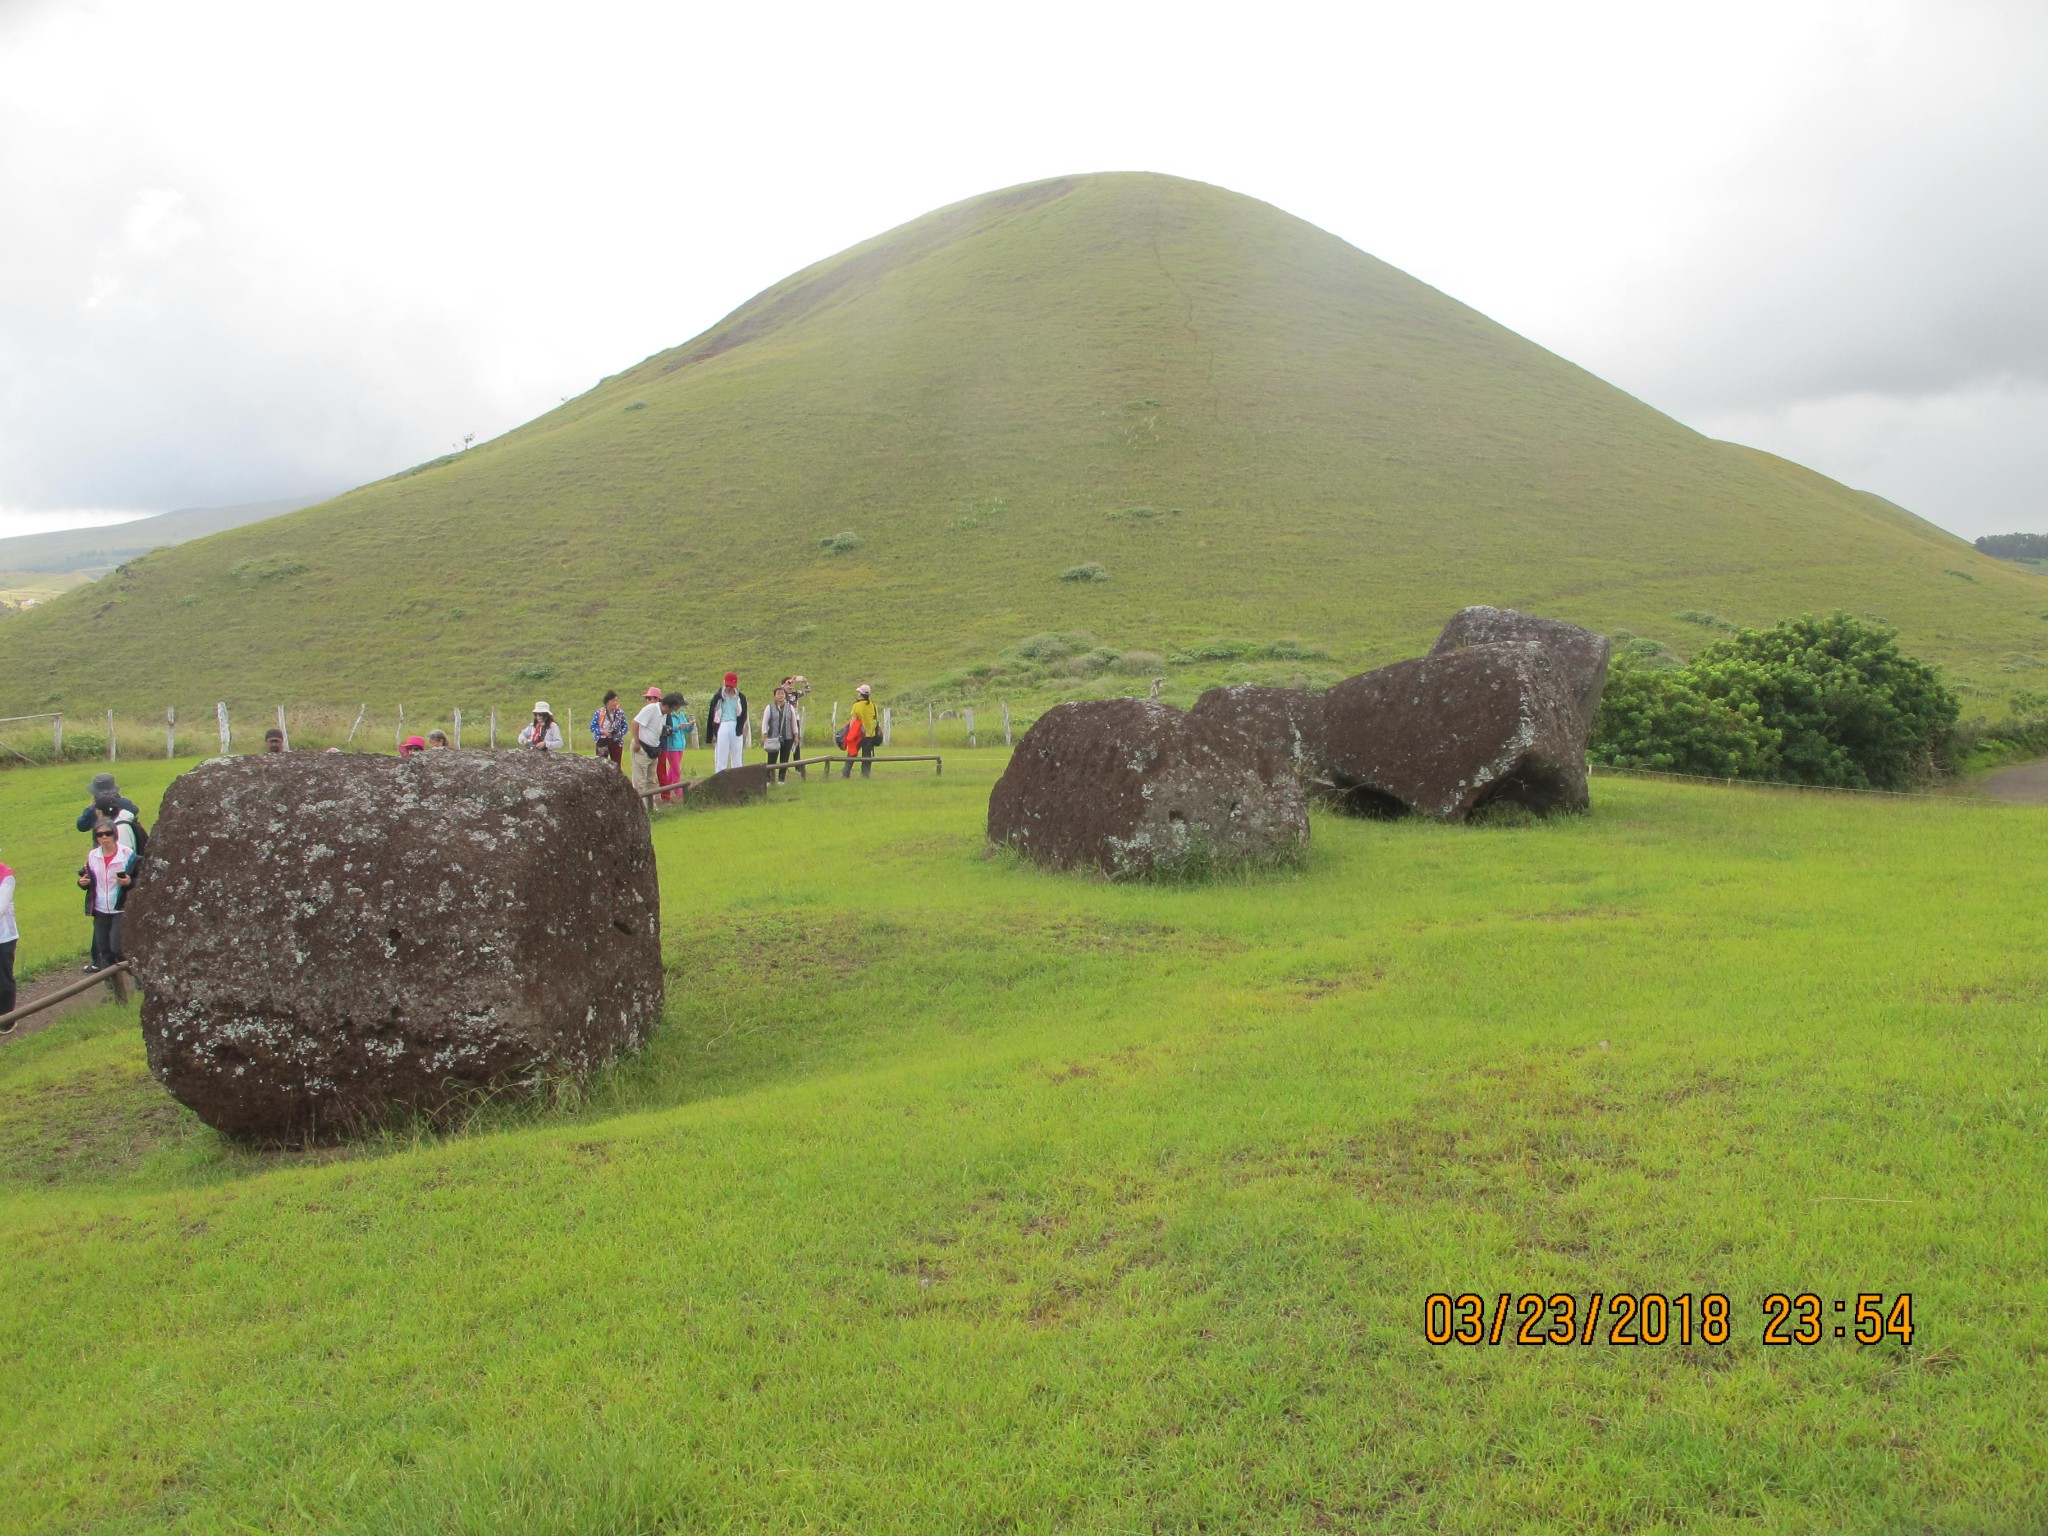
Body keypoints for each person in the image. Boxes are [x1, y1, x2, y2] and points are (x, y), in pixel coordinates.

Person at [77, 822, 134, 974]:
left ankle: (137, 977)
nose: (104, 837)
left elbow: (140, 879)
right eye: (99, 834)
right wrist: (82, 882)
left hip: (120, 907)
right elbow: (88, 878)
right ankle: (114, 990)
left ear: (114, 834)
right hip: (100, 908)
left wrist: (129, 882)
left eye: (107, 833)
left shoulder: (127, 854)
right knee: (105, 950)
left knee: (118, 948)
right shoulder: (93, 856)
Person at [74, 773, 144, 856]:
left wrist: (91, 806)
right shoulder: (126, 804)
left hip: (104, 851)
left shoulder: (95, 809)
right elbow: (135, 810)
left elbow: (81, 825)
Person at [707, 672, 748, 773]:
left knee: (737, 753)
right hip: (722, 724)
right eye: (727, 685)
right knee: (721, 753)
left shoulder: (741, 697)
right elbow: (711, 715)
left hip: (735, 724)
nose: (729, 688)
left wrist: (740, 728)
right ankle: (720, 776)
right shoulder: (718, 697)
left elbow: (744, 714)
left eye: (731, 686)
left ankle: (737, 776)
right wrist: (710, 735)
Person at [631, 686, 665, 800]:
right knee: (640, 780)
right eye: (647, 699)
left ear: (656, 699)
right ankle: (641, 806)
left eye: (649, 698)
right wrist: (636, 742)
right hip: (642, 746)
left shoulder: (661, 712)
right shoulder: (649, 709)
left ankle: (651, 805)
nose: (648, 701)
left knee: (651, 780)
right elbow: (635, 723)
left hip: (653, 748)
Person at [762, 685, 802, 781]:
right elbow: (765, 722)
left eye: (782, 694)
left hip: (788, 737)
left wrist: (796, 736)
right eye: (778, 694)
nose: (780, 696)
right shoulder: (770, 707)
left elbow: (793, 723)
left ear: (785, 695)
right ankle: (768, 779)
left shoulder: (790, 707)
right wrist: (764, 735)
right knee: (771, 760)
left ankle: (781, 779)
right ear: (775, 696)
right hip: (773, 736)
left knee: (784, 759)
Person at [657, 692, 691, 802]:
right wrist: (677, 727)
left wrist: (690, 726)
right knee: (676, 770)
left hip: (681, 745)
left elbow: (686, 729)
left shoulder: (681, 715)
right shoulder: (668, 715)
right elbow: (668, 729)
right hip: (671, 746)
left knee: (672, 770)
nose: (679, 707)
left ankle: (667, 789)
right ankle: (679, 794)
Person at [846, 683, 880, 778]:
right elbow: (875, 719)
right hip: (870, 735)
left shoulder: (856, 705)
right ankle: (865, 775)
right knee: (867, 756)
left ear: (860, 694)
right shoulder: (873, 705)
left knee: (851, 754)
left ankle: (846, 773)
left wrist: (850, 733)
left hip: (858, 734)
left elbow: (853, 720)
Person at [589, 691, 629, 768]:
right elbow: (592, 727)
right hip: (602, 740)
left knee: (616, 765)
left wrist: (619, 733)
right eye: (613, 701)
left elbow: (625, 727)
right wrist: (602, 731)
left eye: (616, 700)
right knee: (601, 765)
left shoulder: (620, 713)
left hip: (616, 741)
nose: (615, 703)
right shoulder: (599, 713)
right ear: (607, 702)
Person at [0, 851, 17, 1023]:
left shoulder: (6, 875)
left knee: (4, 978)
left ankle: (7, 1018)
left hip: (4, 936)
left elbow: (1, 906)